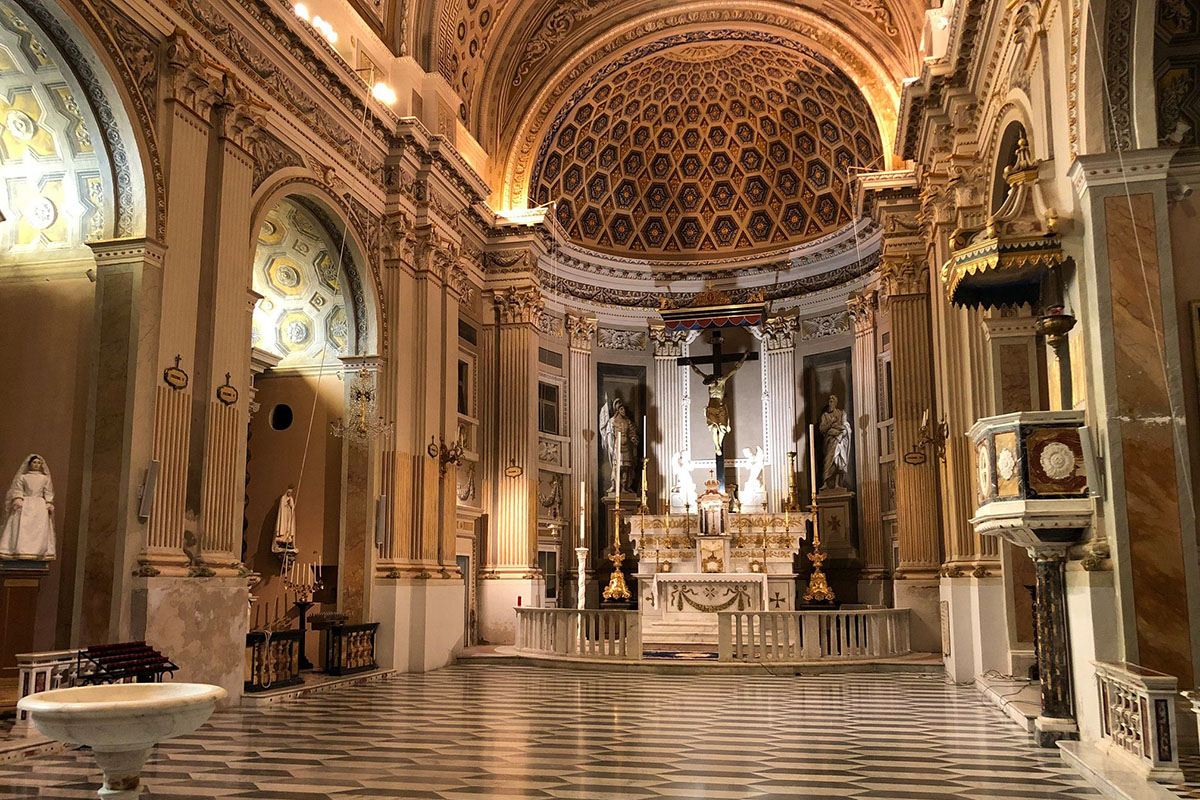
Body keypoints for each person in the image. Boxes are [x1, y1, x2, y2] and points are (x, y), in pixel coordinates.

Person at [689, 352, 749, 454]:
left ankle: (719, 444)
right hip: (711, 408)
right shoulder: (708, 379)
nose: (709, 385)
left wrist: (744, 357)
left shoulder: (722, 381)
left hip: (721, 408)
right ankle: (717, 446)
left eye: (710, 383)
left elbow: (735, 368)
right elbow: (697, 371)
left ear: (714, 380)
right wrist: (691, 364)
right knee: (713, 428)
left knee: (723, 429)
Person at [0, 454, 56, 560]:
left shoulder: (45, 478)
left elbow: (48, 491)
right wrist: (18, 498)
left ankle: (37, 550)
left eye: (39, 463)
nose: (36, 465)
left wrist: (49, 502)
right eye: (34, 462)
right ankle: (21, 549)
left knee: (38, 528)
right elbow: (18, 489)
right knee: (23, 526)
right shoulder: (23, 477)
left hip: (39, 506)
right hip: (25, 504)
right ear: (30, 464)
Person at [819, 394, 852, 491]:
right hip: (829, 442)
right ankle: (826, 483)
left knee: (838, 461)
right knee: (828, 462)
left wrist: (837, 430)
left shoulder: (841, 413)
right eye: (829, 401)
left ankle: (837, 484)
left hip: (838, 440)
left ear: (835, 403)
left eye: (832, 401)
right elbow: (822, 429)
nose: (830, 402)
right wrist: (831, 423)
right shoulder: (825, 415)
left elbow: (844, 427)